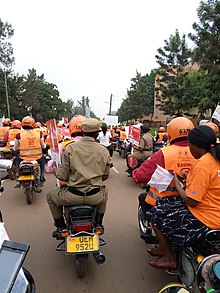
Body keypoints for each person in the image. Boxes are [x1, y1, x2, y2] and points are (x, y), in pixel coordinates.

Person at [146, 125, 220, 269]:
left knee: (155, 213)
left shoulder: (203, 163)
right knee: (167, 201)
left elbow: (191, 200)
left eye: (190, 145)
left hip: (205, 218)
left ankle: (168, 256)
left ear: (197, 146)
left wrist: (176, 182)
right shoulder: (214, 159)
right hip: (214, 210)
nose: (189, 149)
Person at [132, 117, 196, 241]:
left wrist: (135, 174)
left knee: (144, 198)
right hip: (196, 199)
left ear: (170, 133)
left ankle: (160, 240)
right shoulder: (203, 153)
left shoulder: (165, 153)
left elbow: (141, 175)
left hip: (167, 201)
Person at [46, 118, 111, 233]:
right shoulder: (104, 150)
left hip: (72, 196)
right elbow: (105, 177)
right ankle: (98, 224)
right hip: (94, 196)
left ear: (82, 131)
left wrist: (56, 170)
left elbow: (63, 176)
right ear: (97, 134)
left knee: (50, 196)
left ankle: (61, 227)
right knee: (104, 193)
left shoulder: (71, 148)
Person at [13, 116, 47, 185]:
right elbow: (43, 146)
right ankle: (42, 176)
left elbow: (15, 148)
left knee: (17, 159)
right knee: (43, 161)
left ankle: (18, 173)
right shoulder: (39, 133)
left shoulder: (19, 135)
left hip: (23, 158)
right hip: (37, 157)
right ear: (33, 124)